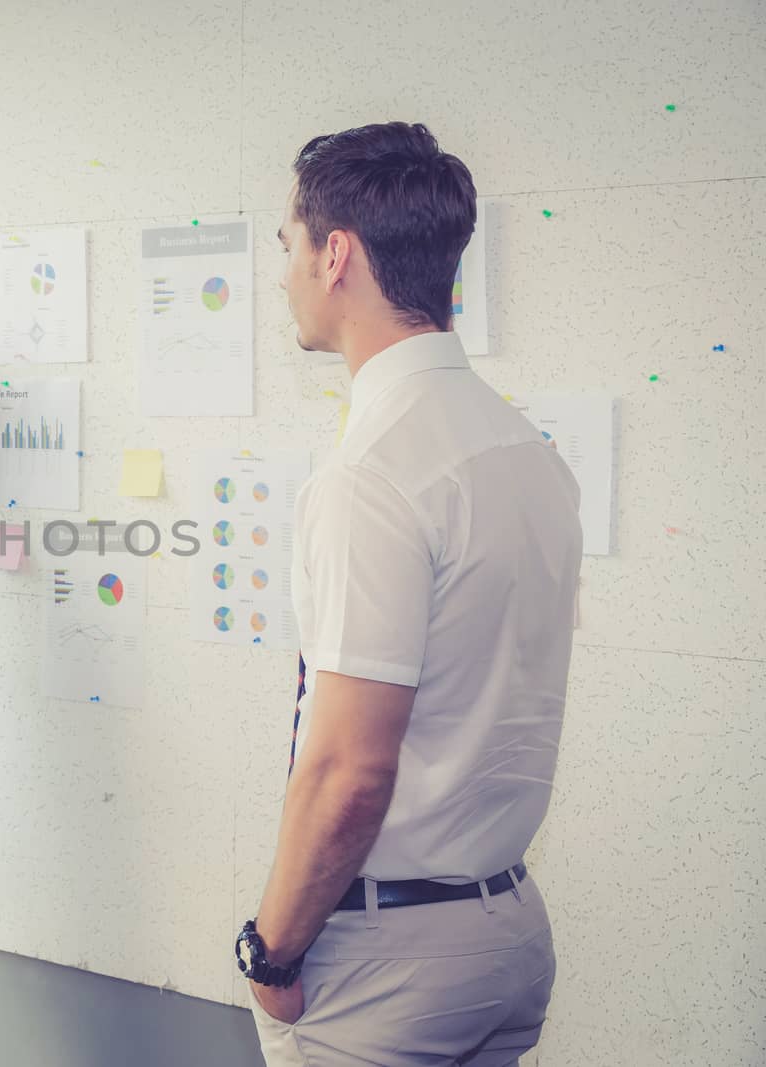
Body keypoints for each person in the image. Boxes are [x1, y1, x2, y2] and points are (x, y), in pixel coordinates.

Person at [237, 123, 582, 1066]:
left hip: (389, 963)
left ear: (335, 254)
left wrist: (267, 950)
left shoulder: (371, 476)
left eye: (289, 246)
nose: (284, 273)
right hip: (505, 928)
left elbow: (347, 772)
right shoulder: (529, 455)